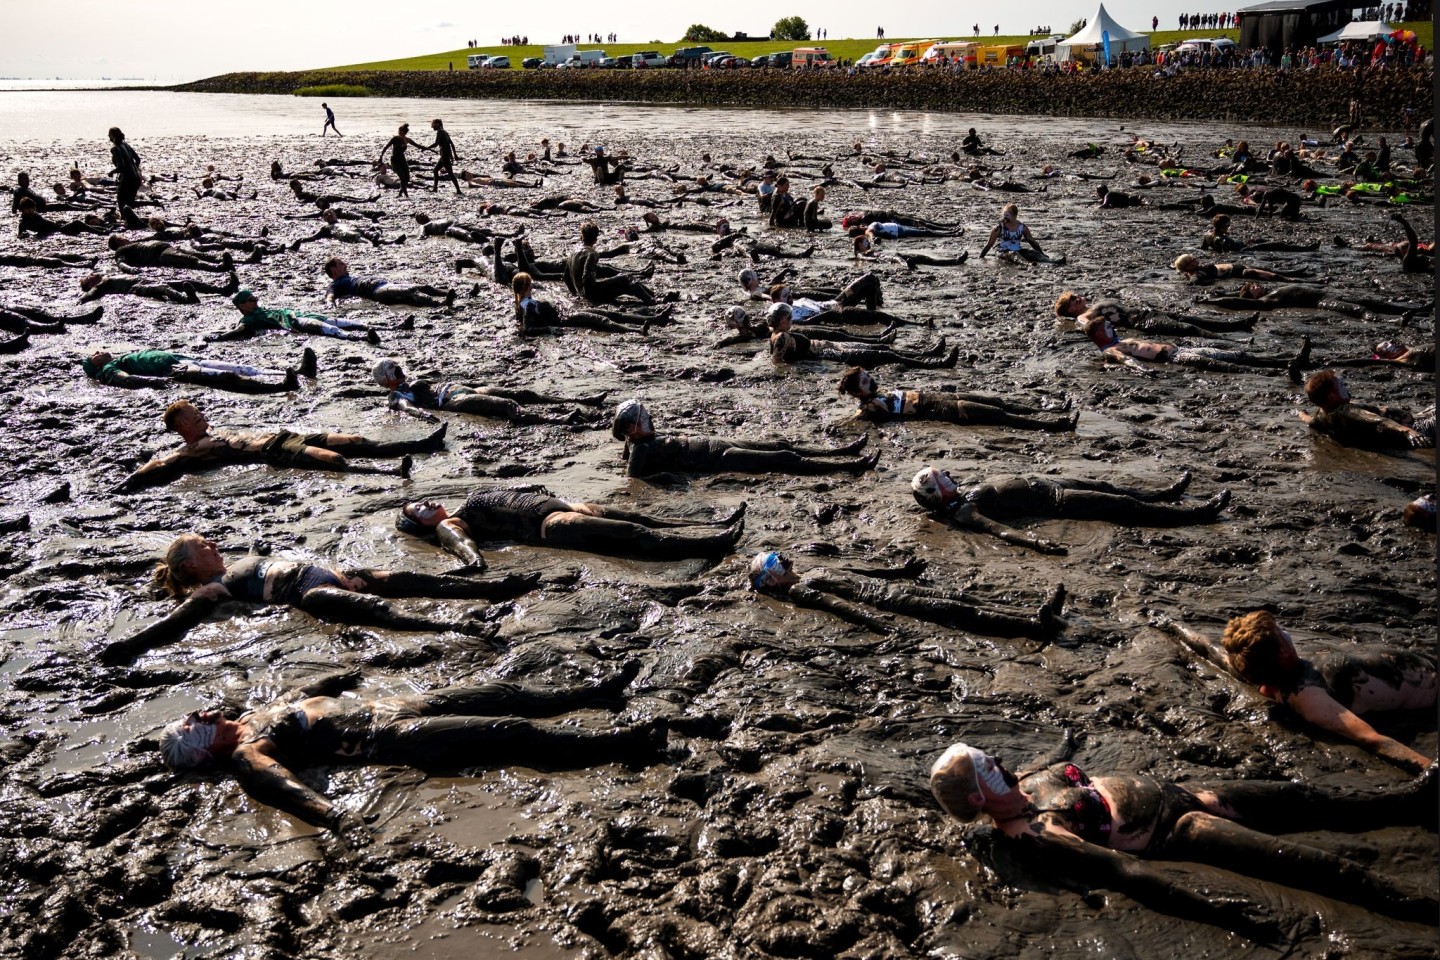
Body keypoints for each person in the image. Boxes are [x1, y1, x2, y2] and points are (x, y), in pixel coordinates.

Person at [928, 740, 1438, 941]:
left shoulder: (1022, 787)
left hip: (1189, 792)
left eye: (988, 757)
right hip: (1180, 828)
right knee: (1306, 862)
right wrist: (1224, 914)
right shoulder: (1032, 833)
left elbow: (1061, 761)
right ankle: (1416, 902)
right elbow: (1125, 873)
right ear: (977, 798)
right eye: (986, 769)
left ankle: (1407, 799)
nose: (996, 763)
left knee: (1305, 797)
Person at [153, 665, 665, 838]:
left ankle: (597, 693)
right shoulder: (247, 753)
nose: (199, 715)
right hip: (390, 739)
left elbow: (300, 698)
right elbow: (277, 784)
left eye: (194, 715)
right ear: (202, 753)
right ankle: (617, 745)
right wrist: (335, 818)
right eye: (192, 725)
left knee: (502, 692)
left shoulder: (246, 718)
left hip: (398, 705)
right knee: (509, 730)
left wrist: (336, 678)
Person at [102, 534, 542, 665]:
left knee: (416, 579)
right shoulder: (211, 589)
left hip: (337, 574)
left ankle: (496, 587)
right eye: (203, 548)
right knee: (381, 612)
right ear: (190, 566)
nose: (213, 546)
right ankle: (458, 627)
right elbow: (177, 622)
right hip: (308, 592)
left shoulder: (236, 561)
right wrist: (130, 646)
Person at [1158, 612, 1435, 774]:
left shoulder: (1251, 668)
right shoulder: (1310, 697)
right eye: (1280, 633)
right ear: (1283, 651)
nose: (1285, 632)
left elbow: (1210, 650)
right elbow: (1371, 739)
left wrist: (1172, 625)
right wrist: (1430, 769)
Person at [112, 398, 443, 492]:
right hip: (273, 451)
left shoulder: (215, 432)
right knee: (333, 459)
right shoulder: (191, 450)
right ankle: (390, 471)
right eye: (195, 415)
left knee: (353, 440)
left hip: (283, 437)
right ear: (182, 426)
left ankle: (419, 444)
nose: (202, 415)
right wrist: (128, 482)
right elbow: (160, 465)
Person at [748, 550, 1063, 642]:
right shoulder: (801, 590)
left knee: (958, 597)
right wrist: (882, 627)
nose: (785, 561)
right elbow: (841, 607)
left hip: (894, 588)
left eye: (778, 556)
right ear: (772, 581)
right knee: (954, 609)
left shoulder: (812, 570)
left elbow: (862, 572)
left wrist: (901, 571)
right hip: (886, 602)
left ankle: (1035, 611)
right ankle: (1035, 627)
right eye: (775, 564)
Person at [910, 466, 1229, 554]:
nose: (950, 476)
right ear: (936, 493)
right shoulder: (964, 511)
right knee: (1121, 506)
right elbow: (999, 530)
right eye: (943, 478)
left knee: (1109, 488)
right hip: (1055, 501)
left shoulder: (961, 494)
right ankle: (1196, 515)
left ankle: (1164, 493)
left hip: (1048, 483)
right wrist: (1036, 543)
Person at [395, 487, 745, 563]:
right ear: (420, 526)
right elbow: (460, 544)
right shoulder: (450, 524)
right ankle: (713, 544)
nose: (427, 504)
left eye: (421, 501)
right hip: (551, 523)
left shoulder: (464, 500)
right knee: (634, 534)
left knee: (638, 517)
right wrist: (474, 563)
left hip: (566, 506)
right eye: (419, 510)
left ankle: (711, 523)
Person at [611, 400, 877, 481]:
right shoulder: (641, 446)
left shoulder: (638, 441)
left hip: (719, 443)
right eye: (642, 419)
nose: (648, 418)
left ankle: (841, 450)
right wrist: (667, 477)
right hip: (718, 459)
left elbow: (626, 451)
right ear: (632, 429)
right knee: (783, 459)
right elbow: (633, 479)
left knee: (780, 446)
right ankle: (847, 466)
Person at [372, 357, 605, 425]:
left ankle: (580, 398)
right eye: (392, 370)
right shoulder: (396, 396)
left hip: (458, 388)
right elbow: (408, 409)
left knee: (522, 393)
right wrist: (426, 417)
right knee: (505, 406)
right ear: (385, 379)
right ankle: (558, 420)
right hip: (451, 401)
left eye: (396, 366)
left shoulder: (408, 382)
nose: (398, 369)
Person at [837, 367, 1075, 431]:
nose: (872, 380)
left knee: (998, 403)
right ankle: (1053, 425)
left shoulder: (876, 395)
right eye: (866, 382)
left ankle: (1052, 411)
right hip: (944, 410)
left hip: (941, 397)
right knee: (1000, 416)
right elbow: (856, 421)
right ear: (858, 393)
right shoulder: (870, 406)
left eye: (868, 376)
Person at [1080, 312, 1311, 377]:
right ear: (1100, 335)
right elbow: (1126, 360)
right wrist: (1143, 371)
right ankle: (1280, 373)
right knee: (1229, 367)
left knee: (1235, 355)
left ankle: (1287, 362)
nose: (1113, 328)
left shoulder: (1119, 340)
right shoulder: (1111, 350)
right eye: (1107, 328)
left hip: (1183, 350)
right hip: (1175, 358)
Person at [1296, 370, 1434, 451]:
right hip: (1417, 428)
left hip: (1414, 420)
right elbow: (1378, 421)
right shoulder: (1346, 410)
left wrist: (1300, 413)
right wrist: (1408, 431)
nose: (1345, 387)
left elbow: (1309, 420)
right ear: (1332, 396)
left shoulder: (1322, 415)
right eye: (1341, 385)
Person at [768, 314, 957, 370]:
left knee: (882, 348)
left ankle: (928, 354)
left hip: (829, 347)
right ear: (781, 320)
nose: (791, 319)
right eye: (788, 317)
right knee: (885, 355)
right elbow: (779, 362)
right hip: (831, 354)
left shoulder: (779, 333)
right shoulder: (781, 337)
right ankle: (938, 364)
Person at [82, 347, 311, 394]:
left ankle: (299, 373)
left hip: (185, 360)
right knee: (228, 376)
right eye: (95, 355)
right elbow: (124, 380)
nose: (99, 351)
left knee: (241, 367)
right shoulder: (109, 369)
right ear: (96, 366)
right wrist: (152, 383)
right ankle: (282, 386)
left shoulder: (120, 358)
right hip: (176, 370)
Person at [511, 271, 665, 336]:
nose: (532, 285)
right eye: (530, 283)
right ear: (526, 287)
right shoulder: (528, 305)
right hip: (566, 319)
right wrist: (550, 329)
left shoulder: (523, 304)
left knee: (610, 314)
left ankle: (655, 319)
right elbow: (528, 328)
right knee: (604, 320)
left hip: (567, 314)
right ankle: (637, 331)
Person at [1052, 291, 1258, 338]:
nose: (1078, 298)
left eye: (1076, 296)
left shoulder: (1093, 305)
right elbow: (1084, 324)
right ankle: (1230, 339)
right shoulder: (1083, 315)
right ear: (1070, 309)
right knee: (1187, 329)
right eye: (1074, 299)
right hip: (1143, 322)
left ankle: (1238, 325)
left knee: (1190, 319)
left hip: (1148, 313)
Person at [208, 289, 382, 344]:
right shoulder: (248, 319)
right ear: (242, 306)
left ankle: (385, 328)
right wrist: (218, 338)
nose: (257, 300)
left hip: (300, 314)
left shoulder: (258, 311)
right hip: (294, 322)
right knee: (327, 328)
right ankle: (362, 339)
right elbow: (239, 331)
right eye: (252, 300)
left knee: (339, 321)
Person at [1197, 282, 1426, 320]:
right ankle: (1392, 322)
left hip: (1329, 295)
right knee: (1358, 309)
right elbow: (1238, 303)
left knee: (1371, 300)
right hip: (1322, 303)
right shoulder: (1267, 301)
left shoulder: (1274, 289)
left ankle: (1415, 309)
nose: (1257, 286)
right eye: (1253, 289)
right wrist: (1209, 301)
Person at [564, 222, 658, 306]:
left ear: (581, 236)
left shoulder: (572, 253)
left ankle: (653, 295)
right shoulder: (592, 254)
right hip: (591, 294)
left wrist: (576, 294)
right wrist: (588, 298)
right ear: (595, 240)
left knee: (625, 284)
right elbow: (587, 279)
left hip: (582, 293)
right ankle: (652, 301)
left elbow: (566, 278)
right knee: (627, 278)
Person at [324, 257, 456, 309]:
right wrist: (331, 305)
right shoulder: (335, 284)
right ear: (334, 270)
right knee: (410, 292)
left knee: (422, 287)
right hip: (374, 290)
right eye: (341, 264)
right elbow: (330, 296)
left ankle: (448, 294)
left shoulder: (349, 278)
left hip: (384, 284)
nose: (345, 265)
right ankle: (441, 304)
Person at [978, 204, 1061, 263]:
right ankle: (1026, 264)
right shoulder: (998, 228)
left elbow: (1032, 242)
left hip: (1018, 250)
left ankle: (1052, 261)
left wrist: (1042, 254)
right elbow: (989, 245)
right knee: (1013, 255)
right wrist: (981, 257)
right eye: (1005, 214)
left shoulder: (1022, 227)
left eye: (1009, 214)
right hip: (1002, 251)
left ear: (1015, 215)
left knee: (1034, 253)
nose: (1006, 216)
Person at [1201, 214, 1319, 254]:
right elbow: (1228, 254)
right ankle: (1307, 248)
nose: (1228, 228)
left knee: (1260, 239)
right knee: (1278, 245)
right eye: (1226, 226)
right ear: (1221, 227)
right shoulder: (1222, 240)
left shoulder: (1207, 235)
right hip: (1246, 249)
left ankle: (1296, 245)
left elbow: (1203, 249)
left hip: (1243, 244)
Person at [108, 236, 233, 273]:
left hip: (168, 248)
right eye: (121, 238)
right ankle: (219, 267)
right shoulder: (121, 251)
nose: (124, 238)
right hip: (160, 254)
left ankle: (226, 261)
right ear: (118, 242)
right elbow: (121, 263)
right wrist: (132, 270)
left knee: (197, 254)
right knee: (190, 260)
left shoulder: (134, 243)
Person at [289, 209, 406, 250]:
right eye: (326, 215)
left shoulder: (345, 222)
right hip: (344, 233)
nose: (329, 215)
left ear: (335, 214)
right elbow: (315, 237)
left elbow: (360, 227)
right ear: (324, 219)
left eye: (331, 213)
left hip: (355, 229)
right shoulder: (326, 227)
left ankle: (392, 242)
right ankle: (372, 245)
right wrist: (302, 240)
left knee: (370, 234)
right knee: (359, 238)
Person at [1171, 253, 1308, 286]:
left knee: (1268, 270)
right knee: (1265, 275)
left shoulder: (1200, 270)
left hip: (1236, 267)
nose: (1195, 261)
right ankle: (1292, 280)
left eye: (1194, 259)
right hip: (1238, 271)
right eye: (1192, 261)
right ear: (1187, 267)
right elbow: (1195, 281)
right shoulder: (1197, 274)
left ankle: (1292, 275)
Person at [378, 123, 429, 197]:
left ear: (402, 132)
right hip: (395, 160)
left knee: (407, 178)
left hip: (403, 160)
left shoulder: (407, 140)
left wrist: (427, 148)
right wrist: (381, 156)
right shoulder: (395, 139)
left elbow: (418, 146)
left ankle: (400, 193)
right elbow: (386, 147)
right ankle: (406, 195)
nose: (398, 132)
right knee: (402, 178)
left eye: (399, 131)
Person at [16, 198, 110, 238]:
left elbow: (46, 222)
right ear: (23, 210)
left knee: (83, 227)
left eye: (33, 208)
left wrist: (57, 222)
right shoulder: (24, 223)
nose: (32, 210)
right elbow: (20, 235)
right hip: (57, 231)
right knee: (77, 223)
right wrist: (24, 235)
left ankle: (105, 228)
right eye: (30, 209)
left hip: (57, 227)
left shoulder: (35, 215)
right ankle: (102, 232)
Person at [108, 126, 142, 212]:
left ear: (112, 136)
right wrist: (136, 169)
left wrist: (112, 172)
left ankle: (124, 219)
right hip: (136, 178)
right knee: (130, 202)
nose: (108, 136)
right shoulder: (126, 145)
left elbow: (122, 166)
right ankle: (153, 203)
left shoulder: (115, 149)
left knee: (121, 200)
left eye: (109, 135)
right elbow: (137, 159)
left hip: (127, 178)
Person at [428, 119, 462, 194]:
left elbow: (436, 144)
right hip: (446, 155)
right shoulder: (445, 132)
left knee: (450, 173)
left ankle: (458, 190)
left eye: (433, 124)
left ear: (438, 124)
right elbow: (452, 144)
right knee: (435, 170)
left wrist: (427, 148)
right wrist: (454, 154)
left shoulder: (440, 132)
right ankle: (435, 188)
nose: (432, 126)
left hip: (444, 155)